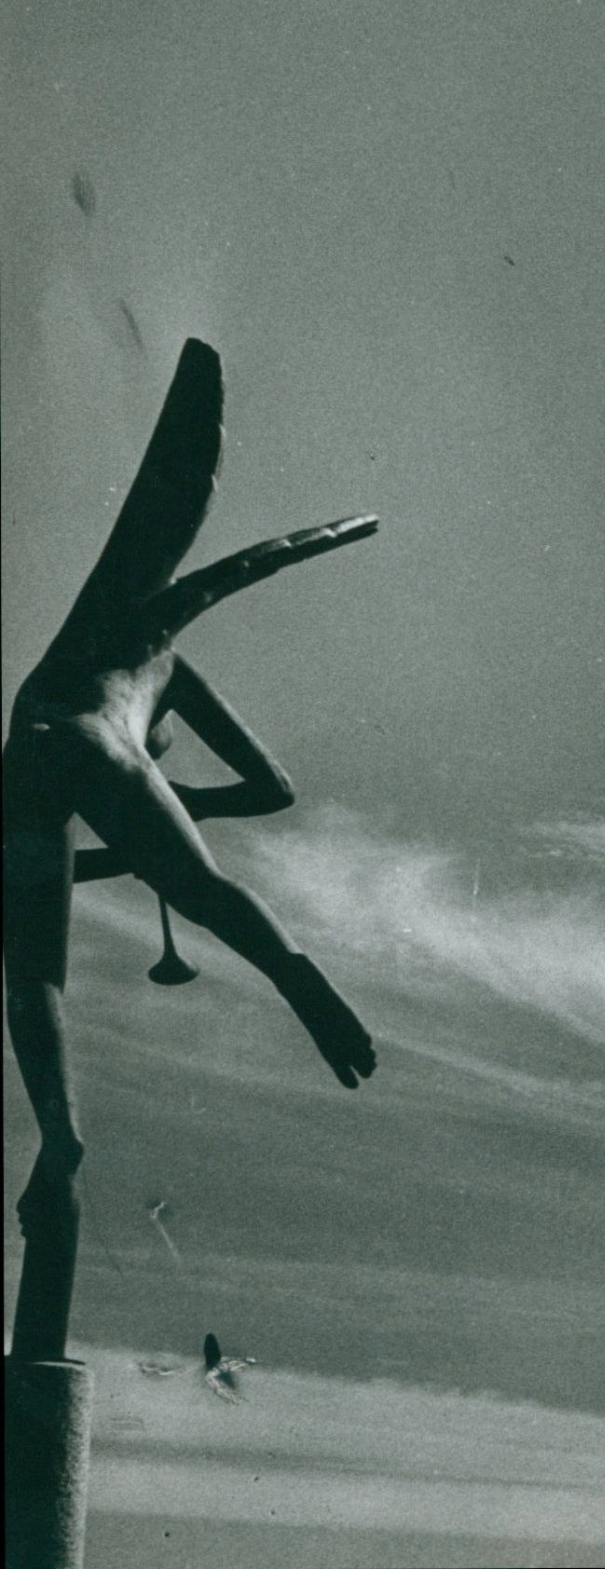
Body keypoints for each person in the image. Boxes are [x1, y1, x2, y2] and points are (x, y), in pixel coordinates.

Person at [3, 338, 378, 1363]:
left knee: (33, 976)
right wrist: (174, 824)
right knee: (206, 891)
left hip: (24, 755)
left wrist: (142, 844)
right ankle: (299, 977)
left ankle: (60, 1131)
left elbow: (78, 872)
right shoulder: (156, 665)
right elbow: (273, 788)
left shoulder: (100, 640)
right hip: (90, 744)